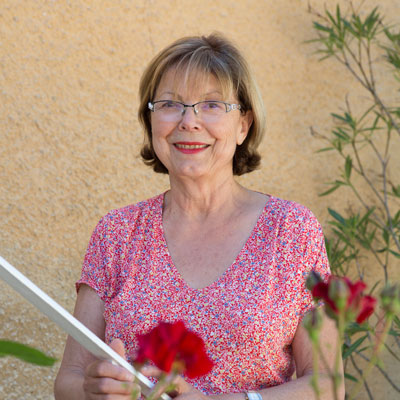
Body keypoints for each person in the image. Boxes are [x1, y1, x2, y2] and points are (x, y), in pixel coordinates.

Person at [54, 33, 344, 399]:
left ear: (243, 125)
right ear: (152, 121)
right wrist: (91, 389)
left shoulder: (292, 230)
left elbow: (329, 385)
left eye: (211, 105)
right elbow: (67, 383)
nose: (188, 121)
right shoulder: (116, 234)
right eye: (170, 104)